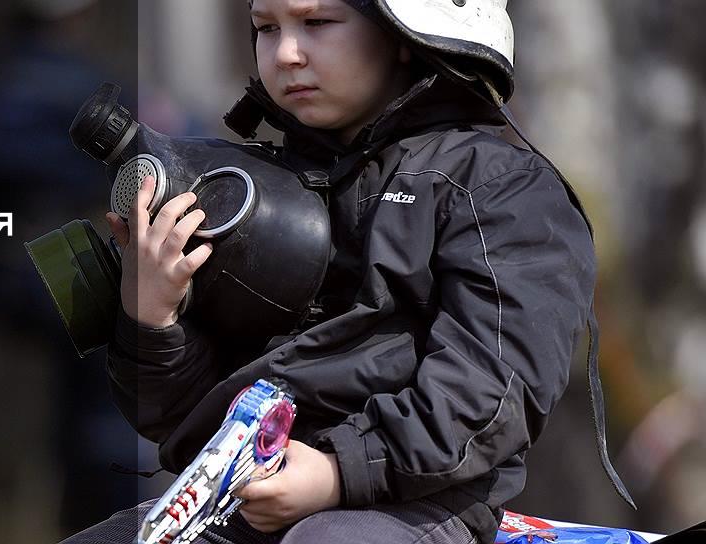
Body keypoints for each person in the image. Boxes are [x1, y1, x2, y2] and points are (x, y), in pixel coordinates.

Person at [65, 0, 624, 542]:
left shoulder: (500, 188)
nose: (286, 53)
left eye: (317, 22)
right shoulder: (254, 189)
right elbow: (185, 424)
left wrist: (336, 473)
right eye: (266, 27)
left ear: (404, 34)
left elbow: (491, 395)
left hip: (416, 509)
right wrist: (152, 317)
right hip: (245, 505)